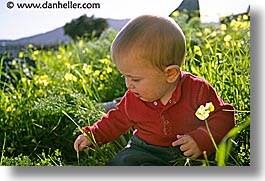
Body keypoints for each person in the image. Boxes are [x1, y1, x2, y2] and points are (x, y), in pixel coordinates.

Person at [73, 14, 236, 166]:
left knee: (225, 149)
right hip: (146, 148)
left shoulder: (197, 90)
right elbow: (116, 120)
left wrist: (202, 139)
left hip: (191, 150)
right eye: (125, 76)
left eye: (135, 79)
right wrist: (93, 136)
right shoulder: (133, 98)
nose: (128, 85)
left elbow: (224, 115)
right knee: (123, 162)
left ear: (170, 74)